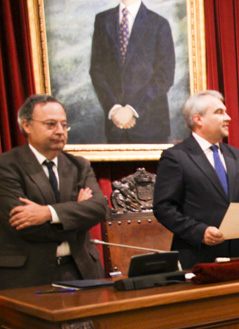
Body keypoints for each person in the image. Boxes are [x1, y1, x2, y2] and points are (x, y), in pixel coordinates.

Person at [0, 94, 109, 289]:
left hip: (81, 272)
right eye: (51, 124)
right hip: (29, 277)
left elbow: (99, 209)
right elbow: (24, 225)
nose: (60, 131)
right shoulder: (7, 166)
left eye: (64, 125)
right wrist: (77, 212)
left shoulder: (79, 166)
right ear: (27, 125)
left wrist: (47, 213)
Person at [153, 90, 239, 269]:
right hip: (198, 256)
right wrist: (200, 232)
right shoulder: (176, 157)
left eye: (226, 111)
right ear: (198, 119)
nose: (228, 117)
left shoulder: (235, 155)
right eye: (219, 112)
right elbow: (164, 208)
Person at [90, 0, 175, 144]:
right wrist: (114, 109)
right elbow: (97, 70)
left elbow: (164, 76)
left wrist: (131, 109)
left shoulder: (159, 23)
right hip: (115, 124)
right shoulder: (102, 20)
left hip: (150, 125)